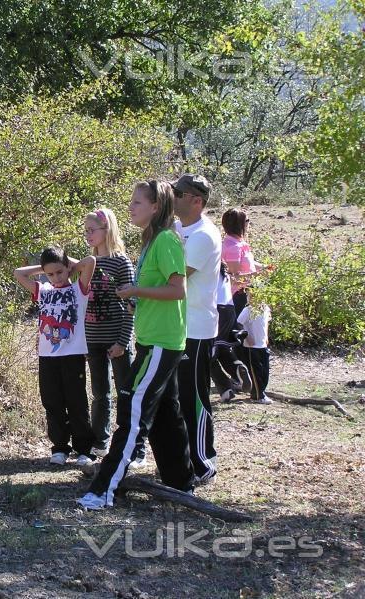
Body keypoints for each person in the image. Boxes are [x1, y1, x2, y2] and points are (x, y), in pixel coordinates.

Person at [78, 180, 195, 510]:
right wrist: (135, 302)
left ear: (156, 207)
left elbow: (177, 290)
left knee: (132, 414)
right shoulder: (150, 241)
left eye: (137, 203)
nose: (130, 208)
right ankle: (181, 484)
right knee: (167, 413)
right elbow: (156, 291)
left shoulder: (166, 241)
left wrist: (135, 292)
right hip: (152, 341)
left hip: (161, 344)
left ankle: (104, 490)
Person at [14, 248, 97, 468]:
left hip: (73, 355)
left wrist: (69, 263)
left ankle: (84, 449)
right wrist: (43, 268)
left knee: (77, 402)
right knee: (52, 402)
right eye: (50, 274)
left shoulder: (79, 289)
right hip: (48, 357)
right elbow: (18, 273)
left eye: (59, 272)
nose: (56, 278)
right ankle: (60, 447)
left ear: (67, 269)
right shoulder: (43, 290)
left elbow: (90, 262)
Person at [172, 173, 221, 485]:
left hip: (197, 328)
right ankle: (181, 460)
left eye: (180, 192)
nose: (174, 196)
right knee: (174, 397)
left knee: (194, 397)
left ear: (197, 201)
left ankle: (203, 463)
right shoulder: (176, 228)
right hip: (174, 325)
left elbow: (176, 275)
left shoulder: (204, 235)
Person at [82, 208, 141, 465]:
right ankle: (100, 443)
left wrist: (122, 341)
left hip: (117, 338)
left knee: (125, 393)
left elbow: (132, 304)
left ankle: (134, 447)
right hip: (93, 338)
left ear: (107, 231)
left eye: (92, 230)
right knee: (100, 394)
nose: (88, 235)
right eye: (85, 230)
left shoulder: (121, 262)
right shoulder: (87, 262)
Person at [210, 261, 253, 402]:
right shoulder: (225, 275)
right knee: (222, 347)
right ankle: (236, 367)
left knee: (207, 352)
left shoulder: (209, 271)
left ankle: (225, 388)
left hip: (215, 310)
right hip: (229, 310)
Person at [221, 208, 259, 315]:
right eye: (247, 221)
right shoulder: (233, 247)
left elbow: (248, 263)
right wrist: (257, 275)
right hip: (238, 296)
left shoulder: (238, 243)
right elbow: (234, 278)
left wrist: (265, 267)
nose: (248, 223)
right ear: (239, 224)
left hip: (246, 292)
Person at [237, 292, 273, 405]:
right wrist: (247, 336)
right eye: (250, 296)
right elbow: (238, 323)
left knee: (264, 372)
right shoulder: (248, 310)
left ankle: (259, 392)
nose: (252, 298)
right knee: (255, 373)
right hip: (251, 347)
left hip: (262, 345)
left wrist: (266, 336)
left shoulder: (266, 308)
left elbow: (266, 322)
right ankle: (258, 396)